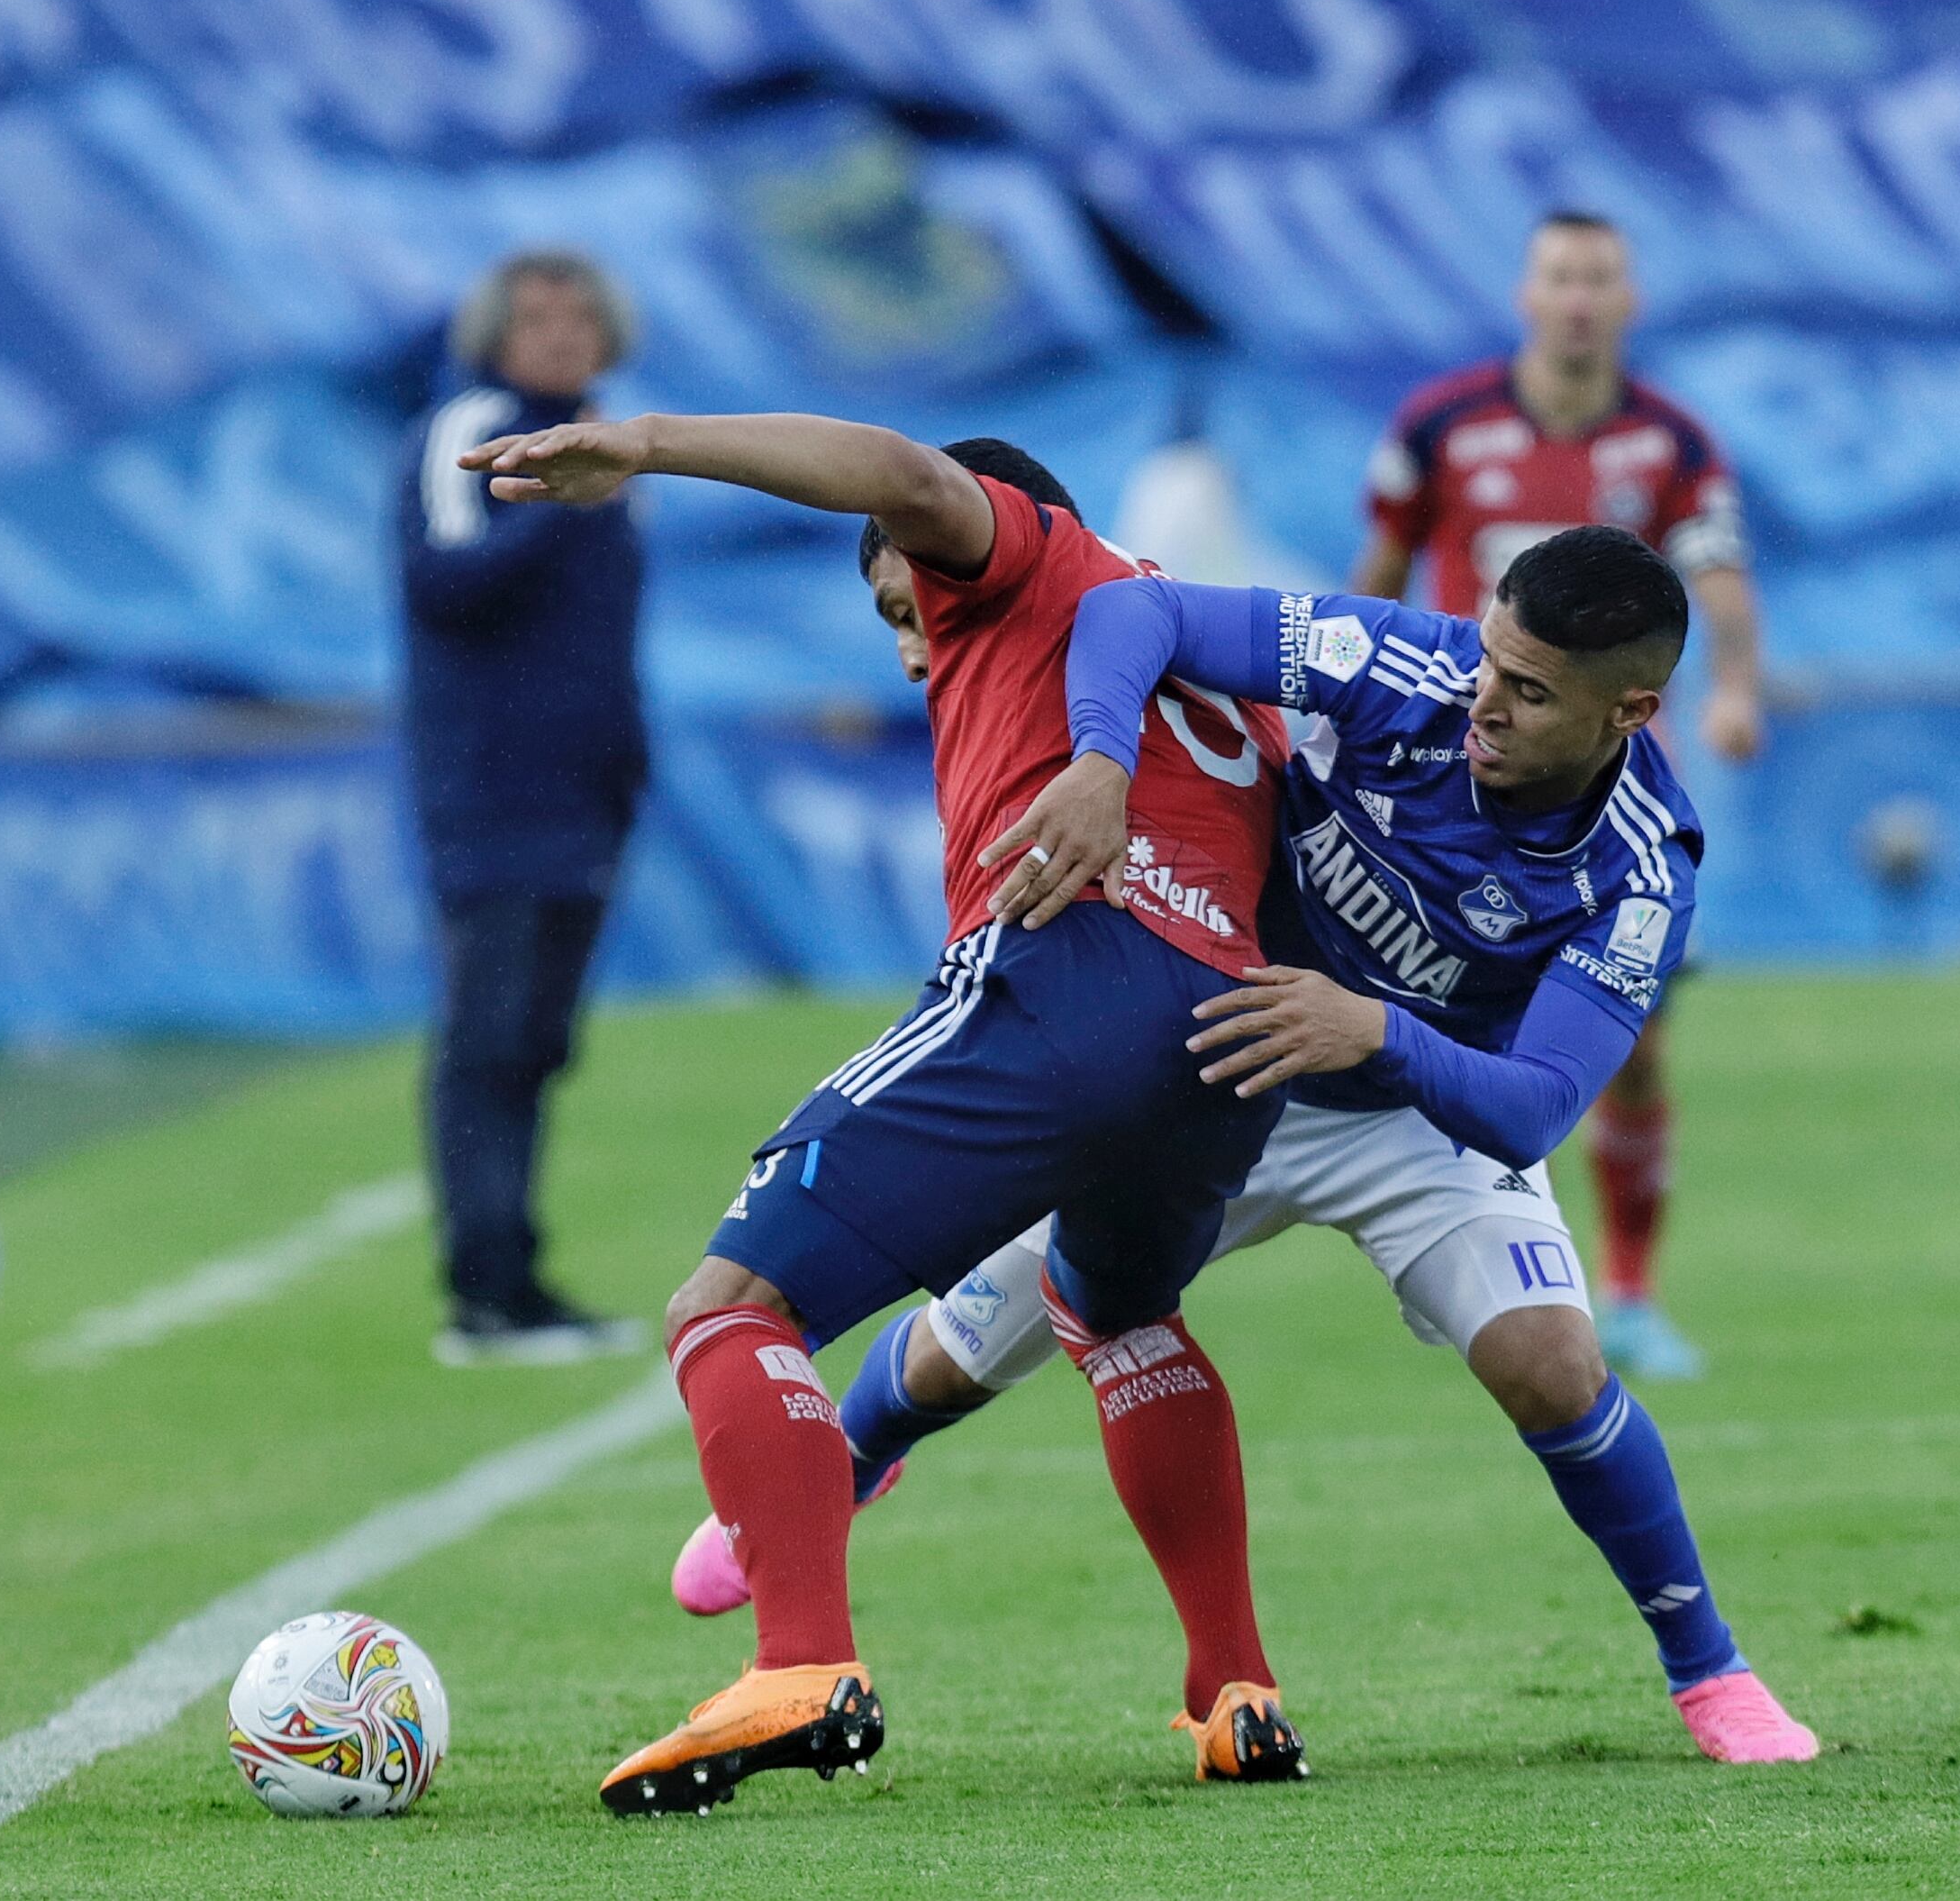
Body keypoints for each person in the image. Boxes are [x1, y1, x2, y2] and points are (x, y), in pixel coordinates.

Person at [671, 527, 1820, 1766]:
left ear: (1631, 711)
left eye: (1530, 693)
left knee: (1552, 1365)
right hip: (1220, 1063)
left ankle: (1711, 1675)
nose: (1484, 702)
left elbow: (1534, 1105)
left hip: (1414, 1110)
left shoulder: (1642, 867)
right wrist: (1102, 763)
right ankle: (849, 1457)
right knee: (973, 1342)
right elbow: (1131, 615)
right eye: (1491, 659)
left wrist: (1371, 1030)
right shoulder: (1405, 665)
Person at [459, 411, 1304, 1806]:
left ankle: (799, 1662)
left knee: (727, 1304)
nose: (914, 647)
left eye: (912, 603)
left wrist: (649, 447)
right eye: (890, 623)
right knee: (1120, 1316)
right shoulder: (1212, 649)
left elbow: (908, 478)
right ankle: (1233, 1690)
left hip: (1068, 978)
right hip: (1224, 1045)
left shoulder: (1032, 566)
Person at [1348, 210, 1766, 1382]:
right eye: (1558, 276)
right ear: (1526, 295)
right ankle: (1447, 1250)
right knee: (1420, 1001)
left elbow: (1719, 575)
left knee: (1624, 1042)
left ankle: (1627, 1294)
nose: (1578, 297)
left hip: (1604, 797)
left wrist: (1733, 686)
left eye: (1598, 277)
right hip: (1450, 767)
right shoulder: (1437, 426)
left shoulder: (1672, 445)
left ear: (1626, 298)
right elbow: (1375, 582)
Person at [399, 250, 649, 1366]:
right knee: (488, 1035)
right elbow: (444, 581)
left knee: (538, 1041)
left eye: (580, 311)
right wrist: (564, 498)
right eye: (537, 314)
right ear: (493, 330)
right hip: (491, 793)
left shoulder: (602, 435)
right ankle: (485, 1288)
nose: (561, 331)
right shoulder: (477, 430)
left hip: (581, 795)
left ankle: (517, 1274)